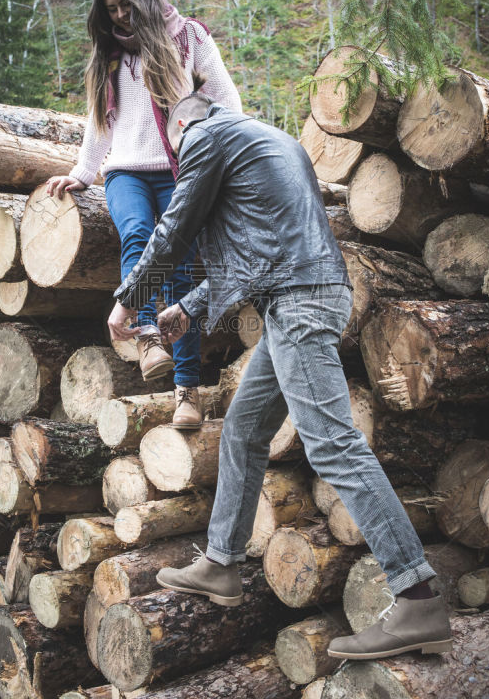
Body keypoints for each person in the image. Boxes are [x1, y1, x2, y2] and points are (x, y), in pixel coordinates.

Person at [108, 78, 453, 661]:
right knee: (243, 429)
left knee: (335, 446)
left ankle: (417, 594)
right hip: (300, 294)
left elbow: (172, 233)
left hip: (296, 301)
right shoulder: (269, 141)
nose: (178, 158)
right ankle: (222, 563)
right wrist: (183, 313)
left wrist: (128, 298)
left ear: (181, 130)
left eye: (174, 146)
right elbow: (261, 250)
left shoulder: (205, 136)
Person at [45, 0, 242, 429]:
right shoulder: (108, 54)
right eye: (111, 11)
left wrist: (214, 149)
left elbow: (226, 99)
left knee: (180, 267)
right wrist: (82, 171)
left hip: (179, 169)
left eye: (125, 6)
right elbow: (101, 123)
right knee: (136, 232)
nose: (120, 18)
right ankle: (147, 336)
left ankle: (187, 391)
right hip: (125, 172)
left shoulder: (187, 37)